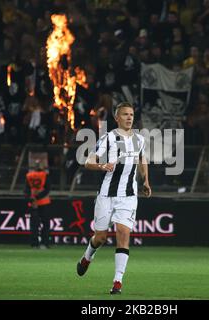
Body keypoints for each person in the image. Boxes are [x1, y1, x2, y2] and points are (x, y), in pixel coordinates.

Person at [76, 102, 151, 294]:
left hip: (128, 196)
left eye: (131, 114)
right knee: (100, 237)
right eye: (125, 114)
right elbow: (88, 162)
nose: (129, 118)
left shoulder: (139, 140)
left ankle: (117, 281)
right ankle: (87, 256)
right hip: (106, 195)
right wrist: (102, 166)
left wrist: (146, 181)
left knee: (123, 233)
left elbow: (142, 160)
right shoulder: (108, 138)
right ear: (117, 118)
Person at [24, 159, 51, 249]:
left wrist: (31, 199)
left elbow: (26, 190)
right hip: (44, 202)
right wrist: (38, 197)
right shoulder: (45, 175)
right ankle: (44, 243)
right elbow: (47, 189)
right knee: (45, 224)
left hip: (33, 203)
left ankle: (34, 244)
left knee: (34, 224)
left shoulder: (29, 175)